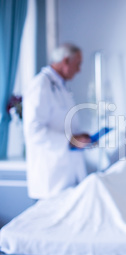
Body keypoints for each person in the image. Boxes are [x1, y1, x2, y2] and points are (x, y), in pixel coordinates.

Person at [23, 43, 91, 200]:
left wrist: (78, 136)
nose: (79, 70)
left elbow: (61, 123)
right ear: (66, 61)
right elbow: (34, 131)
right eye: (78, 64)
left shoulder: (60, 87)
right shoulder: (41, 85)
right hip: (50, 178)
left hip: (65, 175)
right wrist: (71, 141)